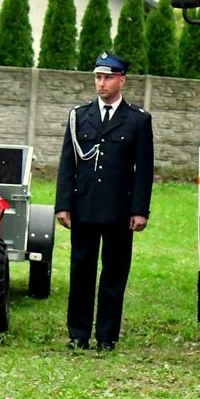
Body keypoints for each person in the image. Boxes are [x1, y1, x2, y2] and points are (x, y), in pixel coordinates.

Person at [54, 52, 154, 351]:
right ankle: (78, 333)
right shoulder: (79, 116)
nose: (101, 83)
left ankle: (107, 336)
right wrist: (63, 205)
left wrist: (139, 210)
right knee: (81, 271)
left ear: (121, 79)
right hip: (84, 207)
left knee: (114, 274)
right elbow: (67, 164)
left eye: (108, 77)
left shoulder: (138, 120)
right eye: (98, 77)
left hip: (118, 210)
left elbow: (144, 170)